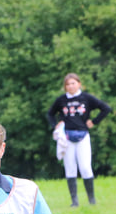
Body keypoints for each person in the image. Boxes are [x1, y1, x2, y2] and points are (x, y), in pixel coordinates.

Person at [47, 73, 112, 206]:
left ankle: (91, 200)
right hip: (67, 137)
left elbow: (105, 108)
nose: (70, 86)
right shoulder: (61, 100)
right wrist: (55, 125)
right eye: (68, 84)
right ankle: (74, 202)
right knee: (70, 168)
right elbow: (50, 113)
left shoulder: (86, 98)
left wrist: (94, 121)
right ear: (65, 87)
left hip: (83, 136)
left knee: (85, 167)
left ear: (79, 84)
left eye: (73, 83)